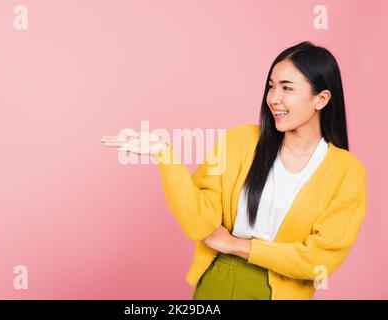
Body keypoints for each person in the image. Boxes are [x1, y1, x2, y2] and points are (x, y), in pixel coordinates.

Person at [100, 41, 367, 300]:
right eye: (271, 87)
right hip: (219, 279)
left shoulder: (347, 172)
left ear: (321, 99)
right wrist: (164, 154)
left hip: (281, 291)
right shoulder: (239, 141)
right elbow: (201, 221)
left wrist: (235, 245)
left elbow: (319, 260)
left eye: (287, 88)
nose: (274, 98)